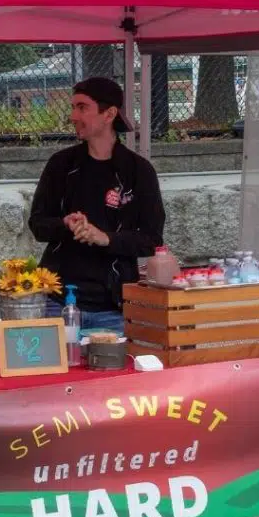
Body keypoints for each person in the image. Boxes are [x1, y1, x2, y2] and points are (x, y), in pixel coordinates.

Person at [29, 77, 165, 334]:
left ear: (109, 114)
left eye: (82, 107)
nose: (72, 115)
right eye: (73, 107)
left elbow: (151, 239)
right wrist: (65, 225)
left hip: (112, 309)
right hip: (56, 303)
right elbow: (37, 224)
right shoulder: (61, 165)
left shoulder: (138, 171)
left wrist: (106, 239)